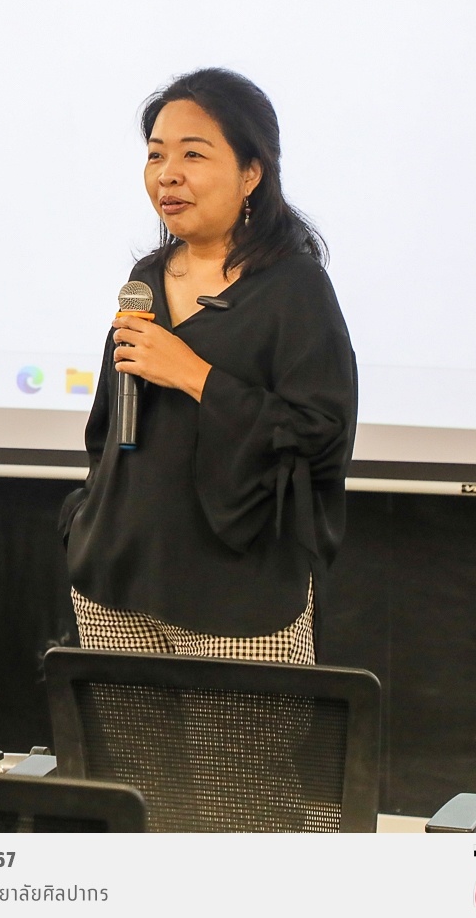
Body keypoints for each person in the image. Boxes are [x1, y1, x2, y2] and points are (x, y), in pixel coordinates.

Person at [60, 68, 356, 664]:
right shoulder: (146, 277)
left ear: (251, 173)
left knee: (243, 735)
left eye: (193, 154)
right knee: (119, 735)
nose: (168, 174)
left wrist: (195, 375)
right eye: (156, 155)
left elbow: (321, 437)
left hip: (237, 594)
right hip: (113, 583)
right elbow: (107, 429)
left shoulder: (294, 287)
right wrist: (86, 517)